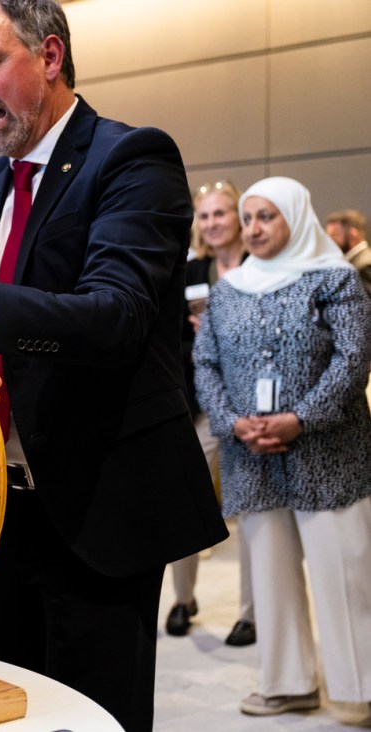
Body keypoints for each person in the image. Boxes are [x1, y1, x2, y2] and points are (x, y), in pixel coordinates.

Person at [0, 1, 228, 728]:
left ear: (52, 56)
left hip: (98, 503)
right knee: (12, 711)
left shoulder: (132, 159)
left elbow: (116, 317)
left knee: (96, 716)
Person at [193, 176, 371, 717]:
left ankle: (359, 690)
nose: (254, 228)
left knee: (344, 574)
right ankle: (287, 683)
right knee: (269, 578)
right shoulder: (229, 289)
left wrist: (302, 418)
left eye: (266, 216)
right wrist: (231, 422)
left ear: (295, 215)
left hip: (329, 453)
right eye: (249, 218)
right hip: (253, 457)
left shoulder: (335, 279)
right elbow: (206, 362)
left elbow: (353, 359)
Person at [166, 180, 256, 646]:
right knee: (186, 499)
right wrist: (200, 337)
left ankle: (251, 612)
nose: (213, 223)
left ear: (238, 217)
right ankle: (183, 599)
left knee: (253, 509)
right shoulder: (190, 271)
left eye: (221, 213)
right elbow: (170, 340)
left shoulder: (260, 267)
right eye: (205, 216)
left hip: (258, 406)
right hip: (203, 405)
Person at [325, 208, 371, 297]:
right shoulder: (349, 262)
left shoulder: (365, 265)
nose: (329, 241)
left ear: (352, 234)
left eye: (334, 235)